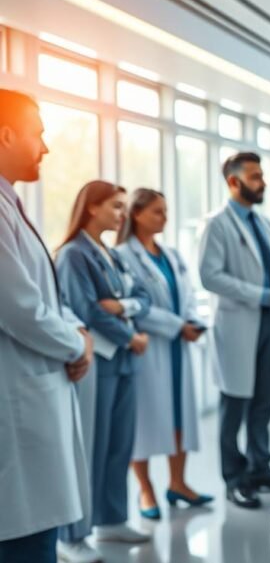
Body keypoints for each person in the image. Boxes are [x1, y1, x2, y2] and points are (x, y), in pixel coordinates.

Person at [0, 89, 93, 563]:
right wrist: (75, 347)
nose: (46, 147)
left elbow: (45, 296)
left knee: (37, 531)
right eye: (38, 134)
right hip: (17, 397)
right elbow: (18, 306)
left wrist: (76, 335)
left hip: (32, 386)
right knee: (25, 538)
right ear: (6, 134)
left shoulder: (9, 202)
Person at [198, 152, 270, 511]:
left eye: (262, 175)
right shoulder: (217, 224)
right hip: (239, 322)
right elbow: (210, 276)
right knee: (235, 405)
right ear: (233, 182)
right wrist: (260, 295)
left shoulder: (264, 223)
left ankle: (261, 468)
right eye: (255, 176)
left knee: (263, 401)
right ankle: (234, 478)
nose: (263, 182)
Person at [56, 181, 153, 559]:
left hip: (124, 361)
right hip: (99, 362)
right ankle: (73, 534)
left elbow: (142, 297)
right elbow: (88, 309)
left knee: (119, 444)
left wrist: (122, 308)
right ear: (92, 208)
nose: (122, 214)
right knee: (90, 448)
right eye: (115, 206)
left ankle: (111, 520)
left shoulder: (112, 254)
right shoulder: (73, 255)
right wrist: (129, 336)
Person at [115, 189, 212, 521]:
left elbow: (186, 294)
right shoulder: (122, 256)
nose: (164, 217)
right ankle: (146, 490)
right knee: (143, 422)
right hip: (149, 347)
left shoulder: (171, 254)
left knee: (180, 417)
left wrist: (192, 322)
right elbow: (135, 308)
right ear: (136, 214)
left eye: (166, 210)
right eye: (157, 211)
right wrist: (176, 325)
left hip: (177, 347)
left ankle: (178, 483)